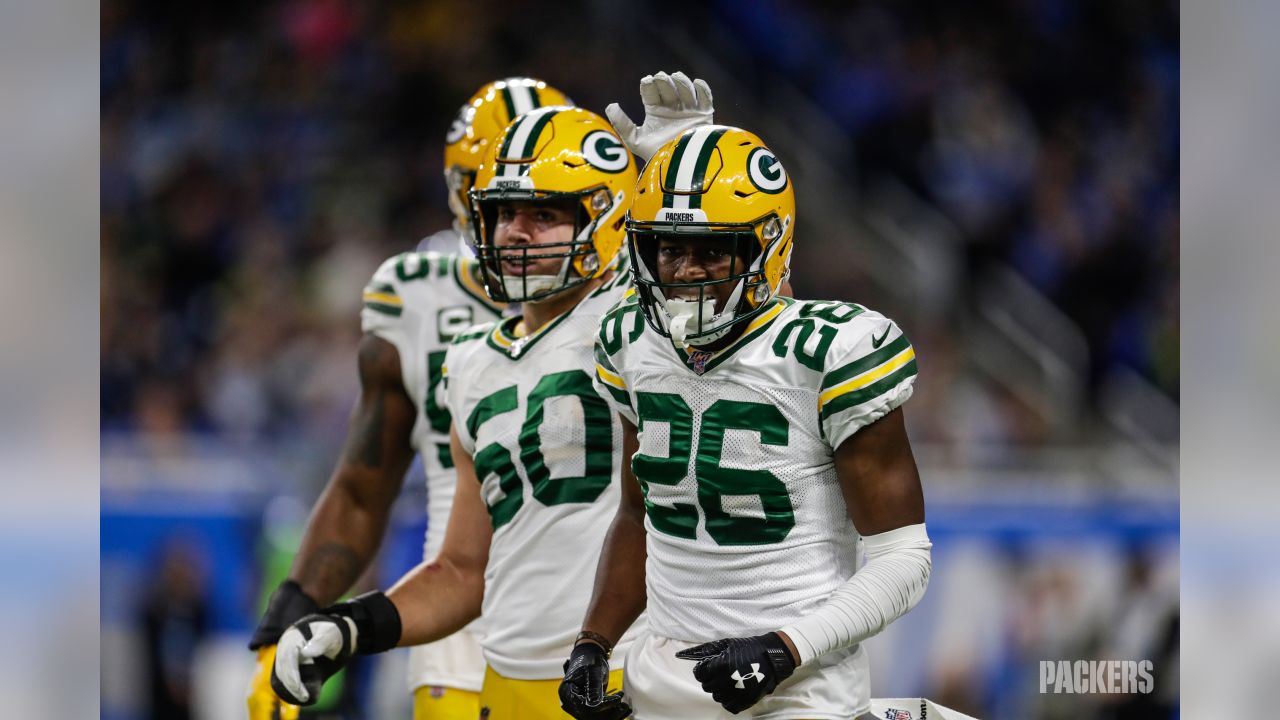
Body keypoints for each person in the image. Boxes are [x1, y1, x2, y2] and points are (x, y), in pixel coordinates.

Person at [268, 78, 718, 719]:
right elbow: (461, 570)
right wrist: (349, 626)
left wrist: (691, 173)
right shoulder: (471, 362)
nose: (515, 232)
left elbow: (745, 317)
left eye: (543, 213)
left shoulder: (640, 323)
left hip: (626, 672)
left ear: (607, 216)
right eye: (505, 212)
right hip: (505, 682)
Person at [559, 126, 933, 719]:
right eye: (669, 249)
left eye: (712, 251)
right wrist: (593, 643)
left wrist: (784, 649)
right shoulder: (632, 340)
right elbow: (639, 515)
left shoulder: (828, 350)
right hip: (662, 676)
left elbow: (904, 561)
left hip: (799, 688)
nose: (685, 271)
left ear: (767, 248)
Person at [245, 77, 572, 720]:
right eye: (501, 198)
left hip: (600, 618)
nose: (519, 224)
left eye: (546, 203)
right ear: (463, 195)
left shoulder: (634, 306)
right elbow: (364, 489)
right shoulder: (416, 297)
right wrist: (289, 615)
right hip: (454, 618)